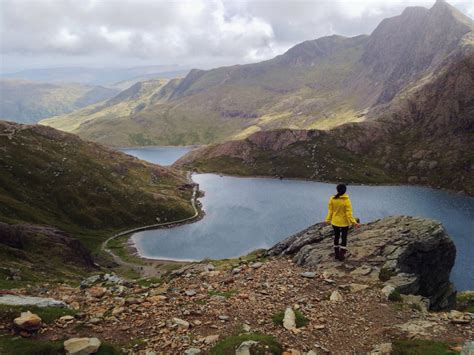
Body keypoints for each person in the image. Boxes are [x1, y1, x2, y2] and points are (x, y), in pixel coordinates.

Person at [324, 184, 360, 261]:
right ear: (345, 190)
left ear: (337, 190)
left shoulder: (332, 199)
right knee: (344, 237)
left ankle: (336, 254)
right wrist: (354, 223)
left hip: (335, 222)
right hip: (344, 223)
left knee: (336, 236)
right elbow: (349, 214)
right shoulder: (346, 200)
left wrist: (327, 220)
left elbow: (330, 211)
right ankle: (341, 255)